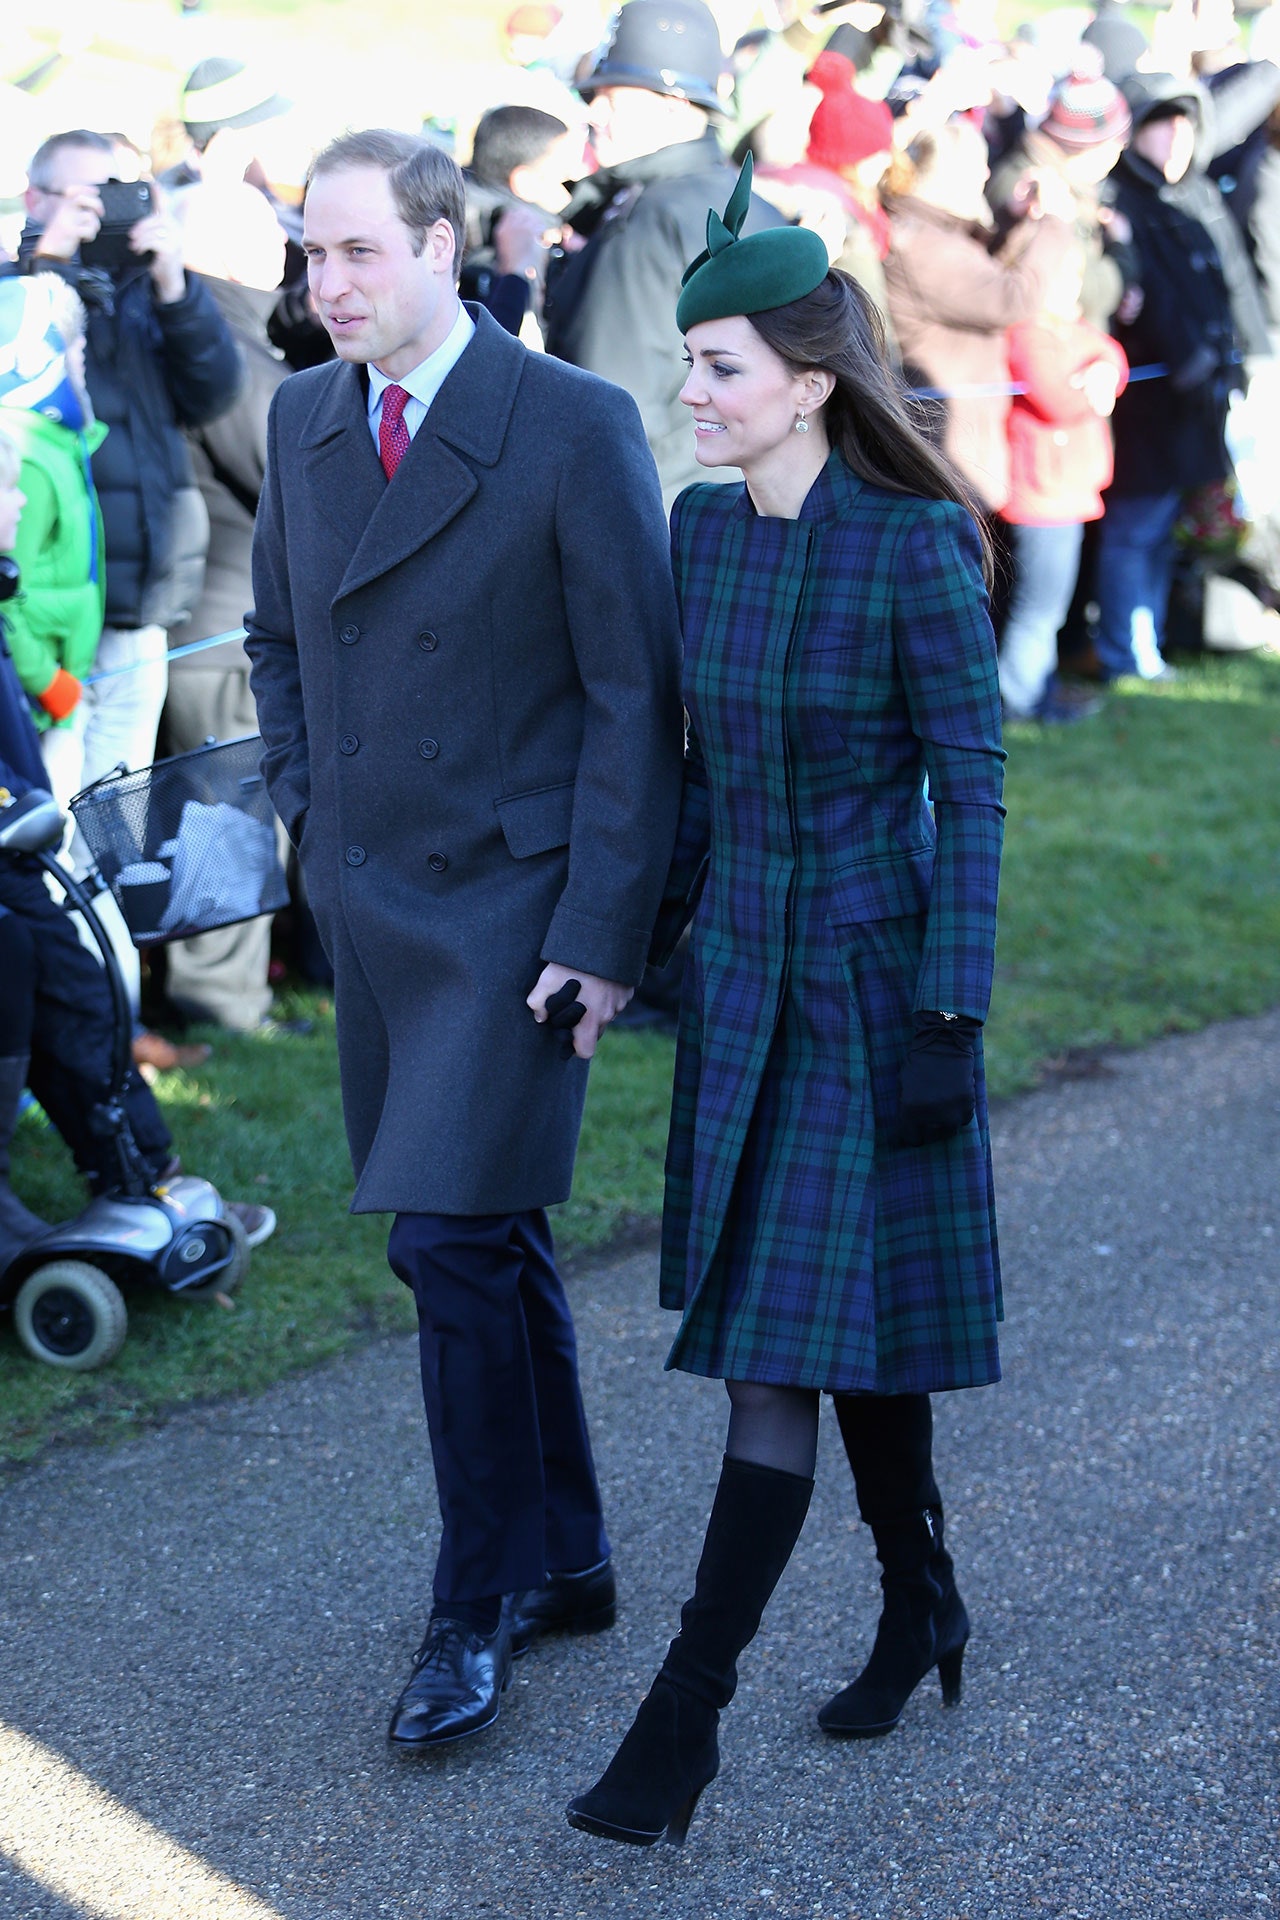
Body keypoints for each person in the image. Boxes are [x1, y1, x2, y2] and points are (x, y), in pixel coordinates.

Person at [567, 155, 1005, 1849]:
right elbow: (679, 772)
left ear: (811, 382)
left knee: (780, 1359)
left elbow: (970, 789)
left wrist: (948, 1018)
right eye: (690, 367)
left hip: (880, 994)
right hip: (742, 989)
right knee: (839, 1341)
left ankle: (682, 1723)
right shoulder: (698, 531)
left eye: (720, 368)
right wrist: (626, 952)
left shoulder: (911, 546)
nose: (689, 395)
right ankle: (924, 1604)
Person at [245, 129, 684, 1748]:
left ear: (446, 246)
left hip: (518, 911)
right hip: (374, 906)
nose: (327, 284)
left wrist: (603, 930)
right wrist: (311, 821)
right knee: (486, 1243)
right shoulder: (303, 417)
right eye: (310, 253)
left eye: (358, 252)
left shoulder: (571, 424)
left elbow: (636, 704)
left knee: (440, 1243)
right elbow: (275, 639)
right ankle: (565, 1556)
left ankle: (472, 1597)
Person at [11, 127, 243, 1012]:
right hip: (53, 617)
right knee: (47, 827)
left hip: (142, 599)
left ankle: (110, 1023)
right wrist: (49, 265)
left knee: (114, 831)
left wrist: (176, 282)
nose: (104, 212)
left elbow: (214, 389)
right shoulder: (21, 296)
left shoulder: (149, 295)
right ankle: (58, 1029)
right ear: (34, 200)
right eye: (83, 196)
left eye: (118, 193)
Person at [544, 0, 785, 504]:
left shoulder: (646, 219)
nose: (594, 112)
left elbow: (611, 412)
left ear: (672, 105)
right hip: (750, 504)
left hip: (662, 516)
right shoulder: (749, 202)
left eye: (613, 97)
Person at [158, 179, 290, 1034]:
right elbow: (294, 484)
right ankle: (223, 1006)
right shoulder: (229, 353)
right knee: (229, 819)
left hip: (186, 627)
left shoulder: (175, 335)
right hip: (222, 632)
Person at [1098, 72, 1269, 679]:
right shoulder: (1120, 200)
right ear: (1136, 131)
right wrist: (1188, 353)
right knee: (1134, 528)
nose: (1174, 139)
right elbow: (1141, 296)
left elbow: (1231, 281)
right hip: (1147, 400)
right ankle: (1126, 651)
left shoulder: (1196, 194)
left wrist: (1245, 352)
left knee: (1164, 528)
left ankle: (1151, 642)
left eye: (1185, 126)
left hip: (1200, 396)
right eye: (1160, 125)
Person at [884, 114, 1073, 514]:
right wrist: (1056, 224)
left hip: (961, 447)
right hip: (948, 457)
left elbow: (979, 271)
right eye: (978, 166)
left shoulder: (933, 233)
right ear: (950, 177)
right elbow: (1010, 297)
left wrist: (1013, 217)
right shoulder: (922, 245)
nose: (988, 173)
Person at [999, 247, 1129, 722]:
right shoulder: (1029, 334)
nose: (1073, 289)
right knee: (1038, 609)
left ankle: (1038, 688)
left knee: (1049, 610)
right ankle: (1020, 698)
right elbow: (1054, 397)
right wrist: (1094, 386)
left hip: (1066, 494)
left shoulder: (1069, 330)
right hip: (1042, 497)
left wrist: (1103, 370)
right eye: (1062, 279)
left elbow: (1107, 350)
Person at [0, 276, 105, 745]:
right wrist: (48, 682)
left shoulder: (46, 442)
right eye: (74, 352)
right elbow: (4, 589)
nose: (82, 366)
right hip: (34, 698)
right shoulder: (25, 451)